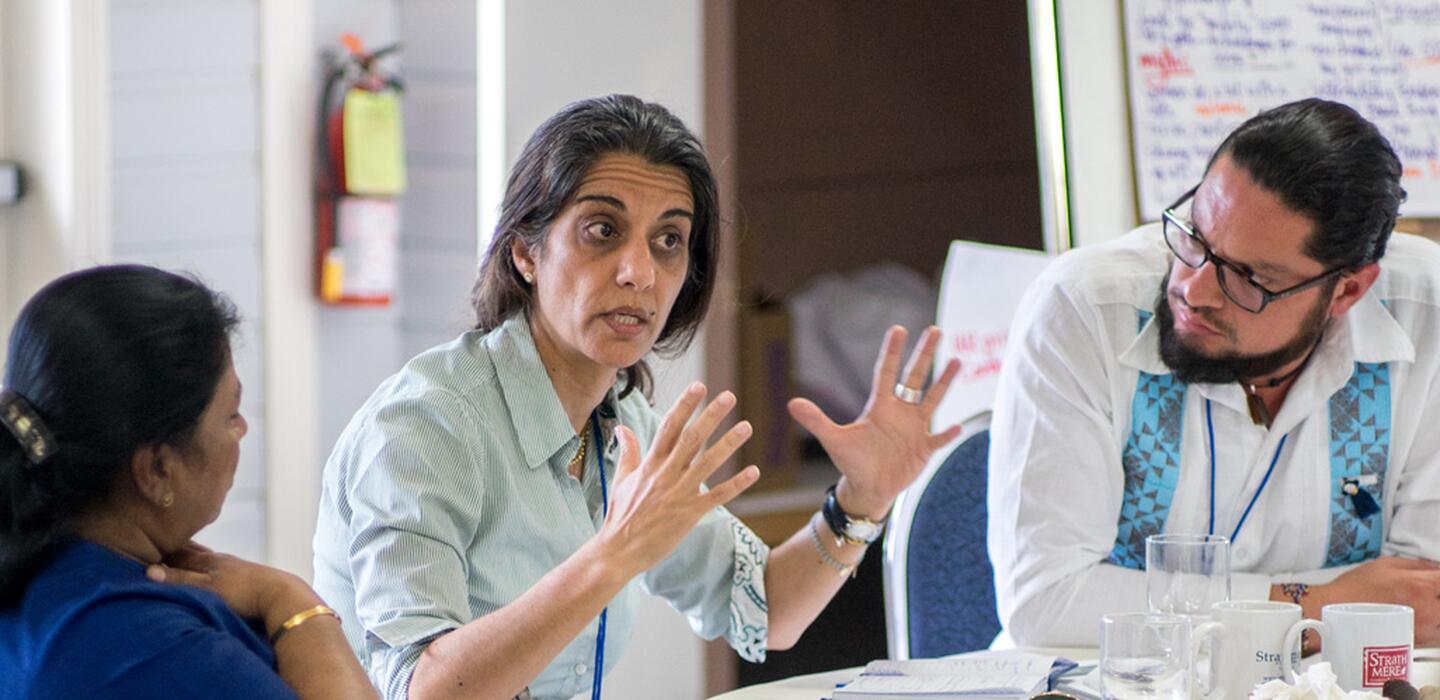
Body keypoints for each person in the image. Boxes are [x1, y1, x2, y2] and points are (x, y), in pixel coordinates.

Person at [312, 94, 962, 700]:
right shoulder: (425, 427)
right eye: (602, 230)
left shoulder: (623, 421)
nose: (639, 272)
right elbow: (422, 689)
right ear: (525, 253)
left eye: (669, 240)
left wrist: (863, 500)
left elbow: (765, 610)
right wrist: (615, 551)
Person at [988, 97, 1440, 646]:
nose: (1193, 290)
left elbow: (1421, 601)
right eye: (1196, 234)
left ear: (1347, 290)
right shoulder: (1084, 309)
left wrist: (1144, 600)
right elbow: (1048, 604)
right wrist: (1320, 605)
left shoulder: (1428, 319)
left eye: (1250, 277)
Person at [0, 265, 376, 698]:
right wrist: (290, 600)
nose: (243, 430)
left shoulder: (39, 570)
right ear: (157, 470)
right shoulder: (140, 645)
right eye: (230, 415)